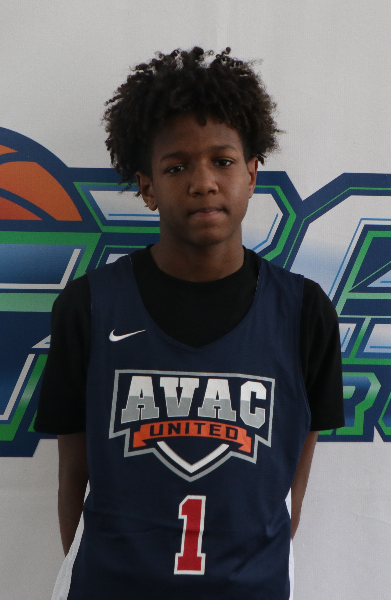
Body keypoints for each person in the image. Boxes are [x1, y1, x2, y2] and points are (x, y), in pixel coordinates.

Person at [35, 47, 344, 600]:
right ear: (147, 186)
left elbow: (286, 488)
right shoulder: (89, 306)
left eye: (222, 161)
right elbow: (73, 476)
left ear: (252, 173)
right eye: (176, 167)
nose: (203, 182)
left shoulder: (304, 313)